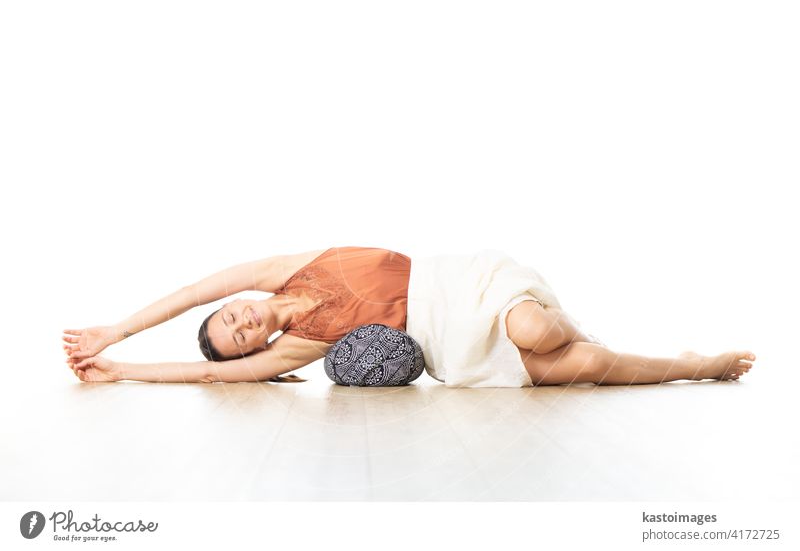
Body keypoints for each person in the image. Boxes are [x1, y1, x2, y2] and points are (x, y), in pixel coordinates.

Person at [63, 246, 756, 386]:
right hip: (453, 349)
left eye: (229, 317)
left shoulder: (277, 270)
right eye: (239, 338)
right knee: (589, 368)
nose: (240, 322)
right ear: (256, 348)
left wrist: (114, 329)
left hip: (463, 285)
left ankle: (565, 316)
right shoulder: (296, 347)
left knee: (539, 332)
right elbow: (204, 376)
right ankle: (698, 365)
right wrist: (122, 370)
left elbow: (187, 290)